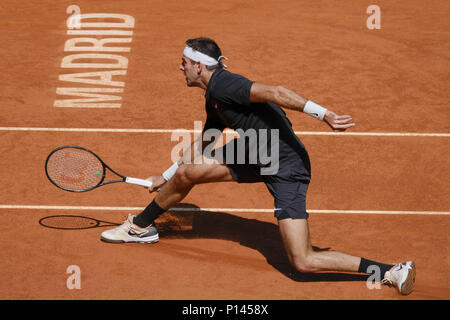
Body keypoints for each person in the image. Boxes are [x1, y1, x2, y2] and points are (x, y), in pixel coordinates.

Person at [101, 37, 416, 295]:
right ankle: (141, 227)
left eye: (184, 63)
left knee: (303, 262)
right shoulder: (213, 97)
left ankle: (390, 271)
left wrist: (325, 115)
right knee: (187, 172)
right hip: (254, 152)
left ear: (199, 66)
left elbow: (276, 92)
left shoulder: (226, 85)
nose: (179, 67)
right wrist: (166, 174)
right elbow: (206, 142)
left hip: (285, 166)